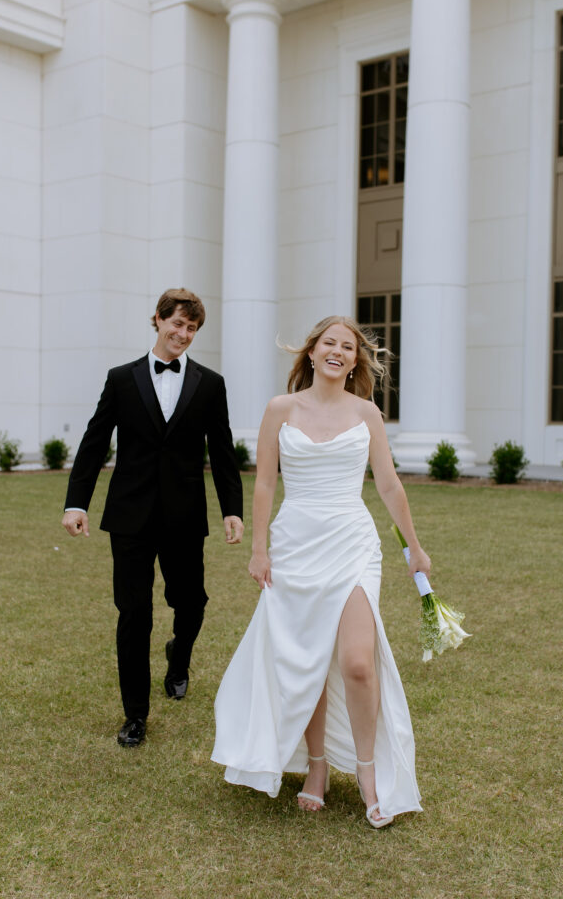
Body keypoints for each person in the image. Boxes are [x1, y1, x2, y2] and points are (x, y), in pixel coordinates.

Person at [211, 316, 431, 828]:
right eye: (328, 343)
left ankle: (370, 773)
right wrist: (259, 549)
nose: (337, 351)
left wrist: (414, 549)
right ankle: (315, 768)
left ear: (355, 360)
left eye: (347, 346)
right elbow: (265, 484)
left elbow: (390, 485)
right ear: (311, 353)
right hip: (293, 545)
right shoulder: (280, 409)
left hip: (352, 542)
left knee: (357, 662)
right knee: (304, 659)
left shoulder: (367, 413)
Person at [62, 288, 244, 747]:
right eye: (177, 324)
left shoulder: (210, 383)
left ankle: (178, 657)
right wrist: (76, 502)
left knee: (192, 601)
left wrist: (232, 511)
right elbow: (94, 440)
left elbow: (222, 453)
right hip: (129, 517)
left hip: (185, 516)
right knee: (133, 613)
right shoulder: (121, 379)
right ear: (158, 320)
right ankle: (135, 715)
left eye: (192, 328)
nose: (183, 334)